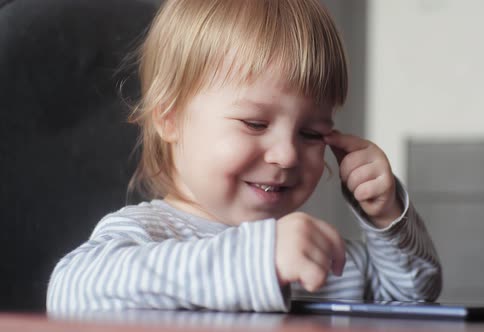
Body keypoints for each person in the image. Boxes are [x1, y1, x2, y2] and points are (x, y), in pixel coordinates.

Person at [47, 0, 441, 313]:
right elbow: (72, 291)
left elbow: (410, 294)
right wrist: (258, 261)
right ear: (170, 119)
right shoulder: (147, 233)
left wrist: (387, 218)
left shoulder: (308, 253)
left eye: (311, 133)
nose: (287, 155)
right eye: (254, 123)